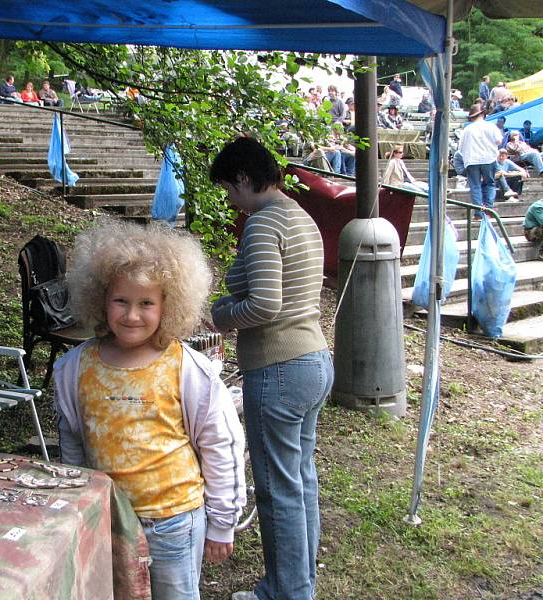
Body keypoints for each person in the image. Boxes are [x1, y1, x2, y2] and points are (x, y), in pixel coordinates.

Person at [54, 221, 246, 600]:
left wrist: (222, 523)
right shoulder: (75, 368)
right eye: (121, 301)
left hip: (173, 522)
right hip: (106, 520)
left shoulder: (189, 369)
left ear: (168, 305)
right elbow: (73, 442)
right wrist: (76, 504)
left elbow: (220, 445)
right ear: (100, 299)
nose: (132, 315)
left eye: (146, 303)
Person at [209, 137, 333, 600]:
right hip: (314, 360)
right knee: (300, 480)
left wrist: (219, 316)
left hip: (280, 366)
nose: (230, 200)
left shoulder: (263, 225)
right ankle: (300, 584)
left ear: (243, 178)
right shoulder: (301, 217)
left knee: (278, 490)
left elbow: (264, 303)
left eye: (228, 188)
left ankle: (285, 593)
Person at [458, 103, 502, 217]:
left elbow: (460, 148)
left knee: (475, 186)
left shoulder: (467, 129)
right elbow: (499, 141)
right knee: (490, 184)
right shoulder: (491, 126)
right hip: (488, 159)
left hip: (471, 160)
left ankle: (478, 212)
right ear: (483, 114)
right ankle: (488, 209)